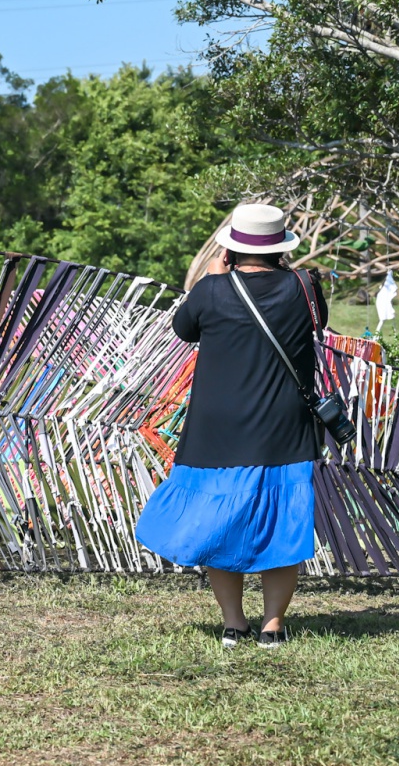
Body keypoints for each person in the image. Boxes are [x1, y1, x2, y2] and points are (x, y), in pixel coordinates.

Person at [135, 203, 327, 650]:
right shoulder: (305, 286)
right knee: (282, 523)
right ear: (281, 247)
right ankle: (272, 626)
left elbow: (183, 329)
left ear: (231, 249)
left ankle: (233, 623)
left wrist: (217, 273)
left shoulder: (211, 290)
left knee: (219, 522)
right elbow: (318, 324)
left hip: (216, 427)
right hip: (284, 424)